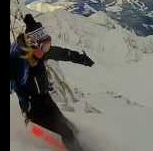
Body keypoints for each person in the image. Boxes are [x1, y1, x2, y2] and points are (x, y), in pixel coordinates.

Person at [10, 14, 95, 151]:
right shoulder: (18, 62)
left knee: (71, 128)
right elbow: (15, 82)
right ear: (34, 45)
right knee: (67, 132)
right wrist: (26, 111)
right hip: (33, 108)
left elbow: (61, 53)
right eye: (44, 47)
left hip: (45, 98)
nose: (47, 51)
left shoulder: (40, 52)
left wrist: (81, 58)